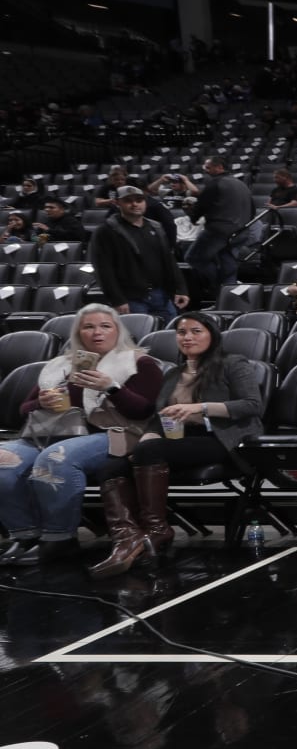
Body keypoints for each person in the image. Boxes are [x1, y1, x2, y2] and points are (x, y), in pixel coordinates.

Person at [94, 312, 265, 577]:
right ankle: (127, 537)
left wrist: (201, 408)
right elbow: (160, 415)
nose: (187, 337)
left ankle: (156, 529)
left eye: (196, 331)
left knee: (150, 451)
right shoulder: (173, 373)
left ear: (212, 335)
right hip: (180, 440)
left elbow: (252, 405)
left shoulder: (233, 363)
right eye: (182, 332)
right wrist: (149, 434)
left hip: (224, 440)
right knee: (111, 468)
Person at [0, 306, 161, 567]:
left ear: (118, 329)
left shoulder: (139, 362)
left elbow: (144, 410)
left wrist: (111, 388)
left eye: (105, 326)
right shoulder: (61, 365)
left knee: (55, 459)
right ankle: (25, 535)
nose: (97, 332)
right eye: (88, 326)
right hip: (50, 433)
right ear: (79, 332)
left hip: (112, 433)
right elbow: (23, 410)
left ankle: (59, 539)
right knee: (3, 462)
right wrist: (41, 402)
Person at [90, 186, 188, 323]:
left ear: (145, 202)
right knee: (139, 340)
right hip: (131, 298)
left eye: (139, 200)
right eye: (128, 201)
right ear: (118, 203)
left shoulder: (156, 227)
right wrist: (117, 299)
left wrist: (180, 288)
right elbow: (103, 269)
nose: (135, 204)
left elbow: (169, 261)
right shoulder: (106, 231)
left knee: (170, 336)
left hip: (162, 295)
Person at [183, 157, 255, 302]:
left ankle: (219, 285)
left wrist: (193, 218)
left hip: (219, 230)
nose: (205, 170)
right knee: (228, 264)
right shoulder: (241, 184)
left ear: (219, 167)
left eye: (208, 168)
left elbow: (202, 205)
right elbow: (253, 210)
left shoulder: (216, 183)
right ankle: (228, 301)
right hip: (241, 231)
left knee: (193, 258)